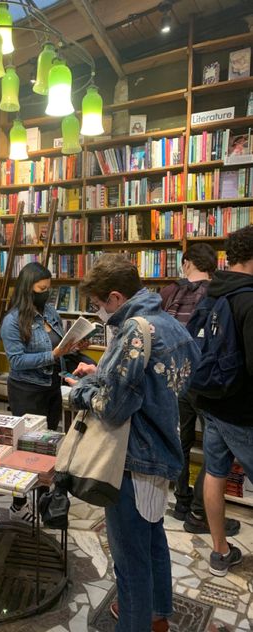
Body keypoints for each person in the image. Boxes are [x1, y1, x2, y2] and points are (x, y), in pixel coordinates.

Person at [66, 254, 200, 632]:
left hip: (131, 456)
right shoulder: (168, 323)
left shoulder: (133, 331)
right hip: (161, 449)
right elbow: (165, 381)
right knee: (153, 536)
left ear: (114, 297)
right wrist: (105, 371)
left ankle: (136, 622)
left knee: (129, 559)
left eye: (97, 306)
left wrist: (80, 392)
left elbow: (111, 407)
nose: (98, 313)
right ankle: (158, 613)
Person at [160, 244, 240, 537]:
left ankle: (181, 501)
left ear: (186, 263)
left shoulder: (168, 293)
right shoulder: (221, 293)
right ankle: (199, 510)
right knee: (216, 449)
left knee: (179, 441)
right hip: (209, 383)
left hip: (174, 379)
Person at [0, 262, 80, 521]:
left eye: (48, 288)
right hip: (26, 389)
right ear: (28, 289)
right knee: (25, 450)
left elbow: (59, 346)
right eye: (41, 288)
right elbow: (17, 361)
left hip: (51, 386)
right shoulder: (12, 321)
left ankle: (44, 498)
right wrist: (53, 354)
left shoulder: (50, 312)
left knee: (47, 447)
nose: (46, 293)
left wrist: (71, 350)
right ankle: (18, 504)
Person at [195, 225, 253, 576]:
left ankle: (220, 552)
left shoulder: (212, 292)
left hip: (209, 400)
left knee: (214, 472)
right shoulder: (250, 298)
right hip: (243, 410)